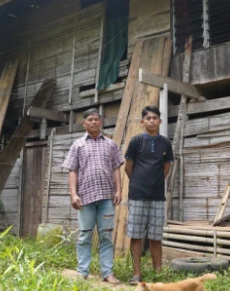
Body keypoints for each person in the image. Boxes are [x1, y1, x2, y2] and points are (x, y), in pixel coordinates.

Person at [61, 108, 123, 285]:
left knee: (106, 235)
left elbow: (116, 168)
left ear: (100, 122)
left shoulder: (110, 144)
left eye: (96, 119)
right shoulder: (77, 145)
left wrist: (119, 190)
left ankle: (108, 273)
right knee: (84, 236)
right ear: (84, 123)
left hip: (106, 197)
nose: (93, 122)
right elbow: (72, 171)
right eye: (90, 119)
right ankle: (82, 273)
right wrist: (73, 194)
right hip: (85, 198)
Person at [124, 105, 174, 285]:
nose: (152, 121)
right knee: (136, 234)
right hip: (137, 195)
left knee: (155, 236)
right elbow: (128, 167)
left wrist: (155, 182)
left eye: (155, 118)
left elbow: (166, 167)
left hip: (158, 196)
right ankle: (137, 274)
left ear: (159, 121)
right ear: (142, 121)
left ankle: (157, 273)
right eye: (148, 118)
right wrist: (138, 181)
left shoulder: (165, 143)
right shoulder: (136, 141)